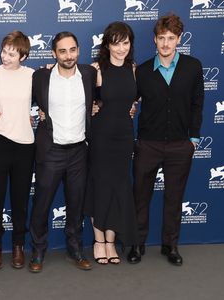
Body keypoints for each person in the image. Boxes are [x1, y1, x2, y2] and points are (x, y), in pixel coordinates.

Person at [128, 14, 204, 266]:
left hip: (181, 145)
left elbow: (197, 104)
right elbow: (129, 101)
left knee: (174, 197)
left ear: (179, 39)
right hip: (148, 144)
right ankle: (137, 244)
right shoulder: (143, 71)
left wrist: (193, 139)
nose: (166, 43)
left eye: (171, 38)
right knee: (140, 196)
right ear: (155, 39)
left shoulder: (193, 67)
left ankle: (170, 245)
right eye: (161, 38)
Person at [28, 31, 96, 273]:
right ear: (53, 53)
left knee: (76, 203)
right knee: (41, 204)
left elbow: (105, 98)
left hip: (79, 151)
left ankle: (75, 248)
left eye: (72, 49)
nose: (68, 55)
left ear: (78, 50)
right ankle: (37, 250)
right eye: (63, 51)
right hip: (51, 151)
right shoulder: (41, 77)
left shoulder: (89, 74)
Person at [84, 21, 138, 265]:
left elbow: (131, 101)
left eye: (125, 43)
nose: (120, 48)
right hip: (101, 137)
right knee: (100, 188)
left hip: (124, 137)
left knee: (118, 189)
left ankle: (112, 242)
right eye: (115, 43)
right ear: (107, 44)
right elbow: (80, 100)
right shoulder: (96, 69)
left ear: (130, 44)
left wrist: (133, 107)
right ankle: (99, 242)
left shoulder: (133, 68)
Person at [0, 31, 35, 270]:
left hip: (25, 144)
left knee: (20, 200)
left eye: (12, 53)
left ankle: (18, 245)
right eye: (4, 51)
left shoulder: (33, 76)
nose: (6, 57)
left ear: (23, 55)